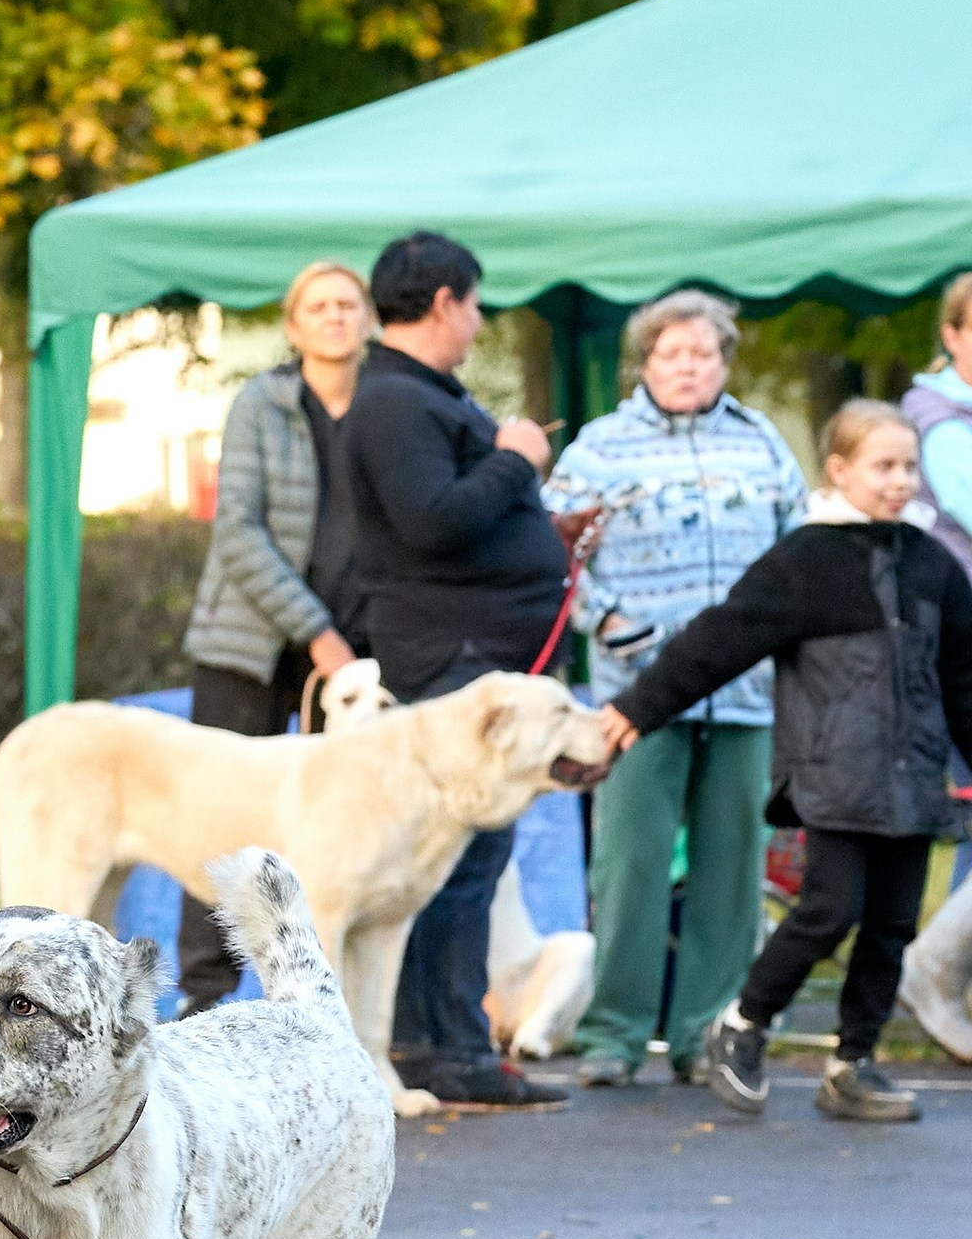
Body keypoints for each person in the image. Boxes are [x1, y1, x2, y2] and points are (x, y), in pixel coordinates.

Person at [599, 400, 972, 1122]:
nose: (899, 482)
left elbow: (962, 677)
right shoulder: (805, 560)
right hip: (833, 773)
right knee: (830, 908)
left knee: (893, 923)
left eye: (909, 467)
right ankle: (742, 1022)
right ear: (839, 470)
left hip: (913, 776)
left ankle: (853, 1062)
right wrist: (639, 708)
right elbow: (720, 640)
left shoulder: (932, 563)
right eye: (883, 466)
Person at [544, 290, 807, 1089]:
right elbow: (548, 552)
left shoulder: (763, 444)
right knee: (631, 861)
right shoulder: (600, 446)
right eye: (672, 353)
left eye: (704, 354)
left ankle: (705, 1034)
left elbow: (800, 554)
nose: (688, 367)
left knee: (733, 868)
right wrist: (606, 622)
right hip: (635, 694)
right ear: (646, 362)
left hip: (746, 693)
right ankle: (614, 1035)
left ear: (724, 362)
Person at [340, 230, 568, 1108]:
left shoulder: (422, 395)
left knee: (468, 857)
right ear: (443, 301)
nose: (477, 322)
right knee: (455, 859)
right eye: (473, 305)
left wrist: (547, 533)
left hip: (474, 649)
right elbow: (432, 520)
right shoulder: (397, 401)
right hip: (453, 660)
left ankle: (449, 1042)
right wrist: (516, 458)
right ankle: (449, 1049)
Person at [176, 259, 372, 1012]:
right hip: (252, 640)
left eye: (347, 304)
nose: (334, 317)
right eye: (318, 306)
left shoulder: (386, 406)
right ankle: (204, 995)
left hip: (352, 655)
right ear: (293, 326)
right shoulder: (262, 402)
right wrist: (316, 630)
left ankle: (307, 999)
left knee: (330, 827)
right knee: (221, 820)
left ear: (367, 319)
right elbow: (237, 532)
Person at [897, 270, 972, 1055]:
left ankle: (943, 979)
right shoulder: (939, 419)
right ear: (951, 334)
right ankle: (932, 975)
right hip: (956, 641)